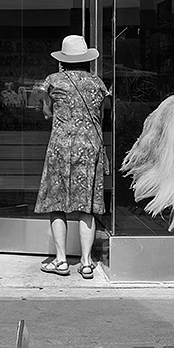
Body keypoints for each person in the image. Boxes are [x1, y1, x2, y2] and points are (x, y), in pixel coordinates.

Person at [35, 35, 109, 279]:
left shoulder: (53, 81)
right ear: (86, 59)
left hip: (61, 147)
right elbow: (100, 115)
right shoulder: (97, 83)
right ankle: (87, 263)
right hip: (89, 147)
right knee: (86, 206)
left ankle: (61, 260)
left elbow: (47, 113)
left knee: (57, 204)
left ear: (63, 60)